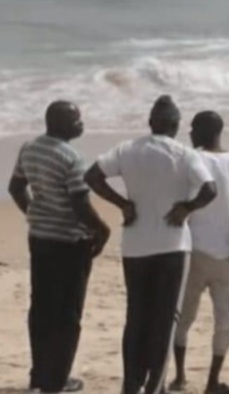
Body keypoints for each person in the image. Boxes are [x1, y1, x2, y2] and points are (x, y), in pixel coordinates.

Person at [84, 96, 217, 394]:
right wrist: (187, 207)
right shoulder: (184, 154)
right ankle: (155, 386)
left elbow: (92, 176)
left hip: (135, 245)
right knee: (165, 319)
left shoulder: (128, 149)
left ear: (150, 123)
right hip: (172, 245)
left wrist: (123, 204)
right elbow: (210, 190)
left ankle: (131, 384)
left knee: (137, 316)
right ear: (176, 125)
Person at [8, 101, 110, 393]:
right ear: (60, 123)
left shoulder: (29, 148)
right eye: (76, 119)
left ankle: (39, 375)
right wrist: (101, 229)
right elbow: (80, 202)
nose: (82, 123)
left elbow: (15, 187)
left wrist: (34, 213)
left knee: (41, 308)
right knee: (67, 314)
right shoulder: (71, 157)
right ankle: (58, 380)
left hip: (40, 239)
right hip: (69, 243)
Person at [169, 111, 229, 394]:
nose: (189, 133)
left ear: (205, 131)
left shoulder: (190, 160)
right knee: (223, 322)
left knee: (184, 317)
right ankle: (213, 382)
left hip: (193, 251)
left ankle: (180, 377)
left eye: (193, 129)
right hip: (226, 253)